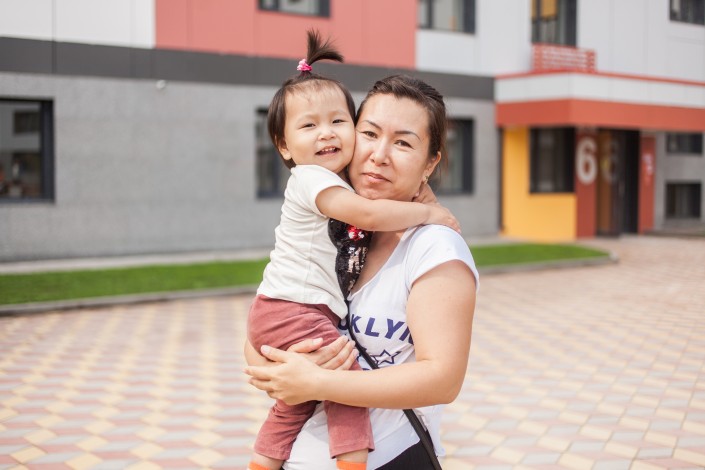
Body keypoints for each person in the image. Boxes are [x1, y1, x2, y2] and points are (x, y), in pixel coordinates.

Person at [247, 31, 460, 470]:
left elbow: (443, 379)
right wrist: (290, 371)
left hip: (389, 457)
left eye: (403, 142)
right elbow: (261, 345)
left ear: (430, 162)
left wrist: (319, 382)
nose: (379, 155)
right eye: (370, 133)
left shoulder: (434, 246)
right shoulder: (343, 226)